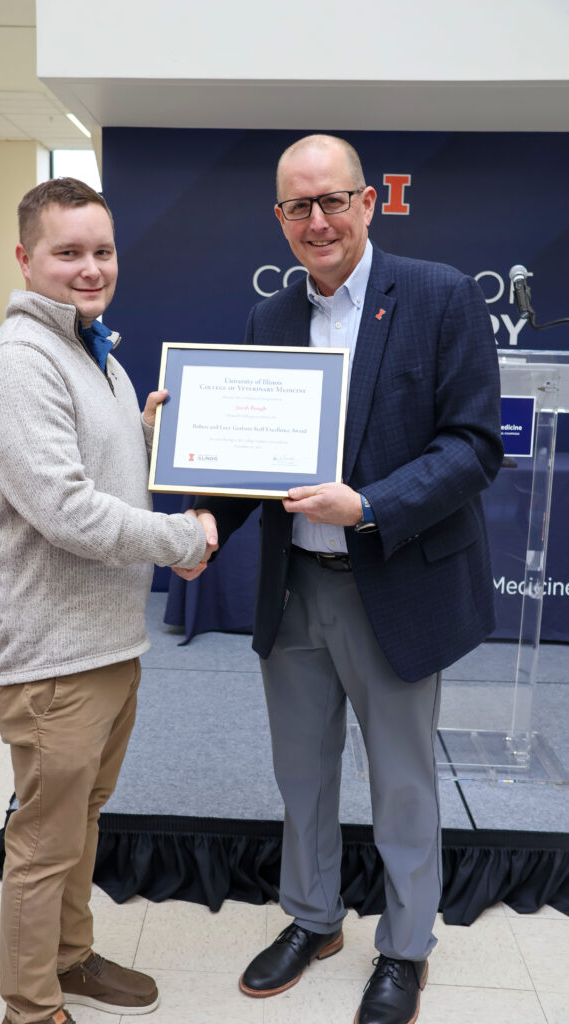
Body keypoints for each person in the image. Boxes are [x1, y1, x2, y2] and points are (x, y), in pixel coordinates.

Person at [179, 135, 503, 1024]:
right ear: (278, 219)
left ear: (368, 204)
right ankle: (314, 919)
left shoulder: (437, 296)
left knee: (401, 781)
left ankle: (404, 948)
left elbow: (474, 447)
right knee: (301, 773)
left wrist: (368, 505)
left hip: (395, 583)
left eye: (332, 201)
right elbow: (252, 468)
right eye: (297, 206)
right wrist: (203, 502)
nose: (316, 221)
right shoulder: (270, 319)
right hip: (296, 591)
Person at [0, 177, 217, 1024]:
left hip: (108, 644)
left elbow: (93, 468)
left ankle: (69, 957)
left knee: (83, 823)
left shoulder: (92, 352)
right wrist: (182, 540)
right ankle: (30, 1008)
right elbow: (65, 510)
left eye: (101, 251)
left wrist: (148, 436)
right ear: (24, 258)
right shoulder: (18, 362)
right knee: (42, 843)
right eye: (67, 252)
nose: (88, 268)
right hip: (54, 659)